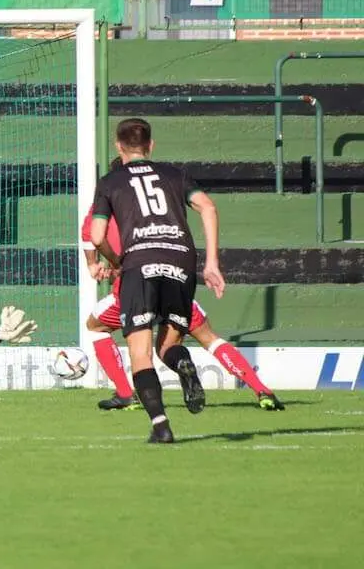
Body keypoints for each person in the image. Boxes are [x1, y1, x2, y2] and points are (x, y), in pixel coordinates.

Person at [81, 168, 284, 411]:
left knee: (96, 327)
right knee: (205, 340)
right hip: (175, 282)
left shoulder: (107, 203)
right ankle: (262, 390)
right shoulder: (162, 199)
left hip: (134, 290)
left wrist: (97, 265)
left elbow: (93, 238)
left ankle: (128, 394)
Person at [90, 118, 226, 444]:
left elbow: (96, 236)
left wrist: (115, 261)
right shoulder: (175, 175)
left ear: (118, 146)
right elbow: (207, 206)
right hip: (181, 259)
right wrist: (211, 263)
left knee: (141, 351)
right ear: (151, 146)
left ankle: (161, 425)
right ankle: (185, 366)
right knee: (170, 345)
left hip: (140, 263)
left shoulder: (110, 181)